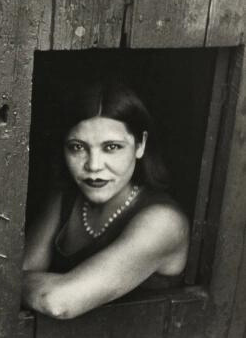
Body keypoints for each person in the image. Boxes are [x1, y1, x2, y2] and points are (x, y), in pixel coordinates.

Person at [21, 80, 189, 319]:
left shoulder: (164, 222)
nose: (94, 166)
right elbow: (20, 271)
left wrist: (28, 284)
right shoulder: (66, 196)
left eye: (112, 147)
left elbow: (57, 301)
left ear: (140, 144)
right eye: (77, 147)